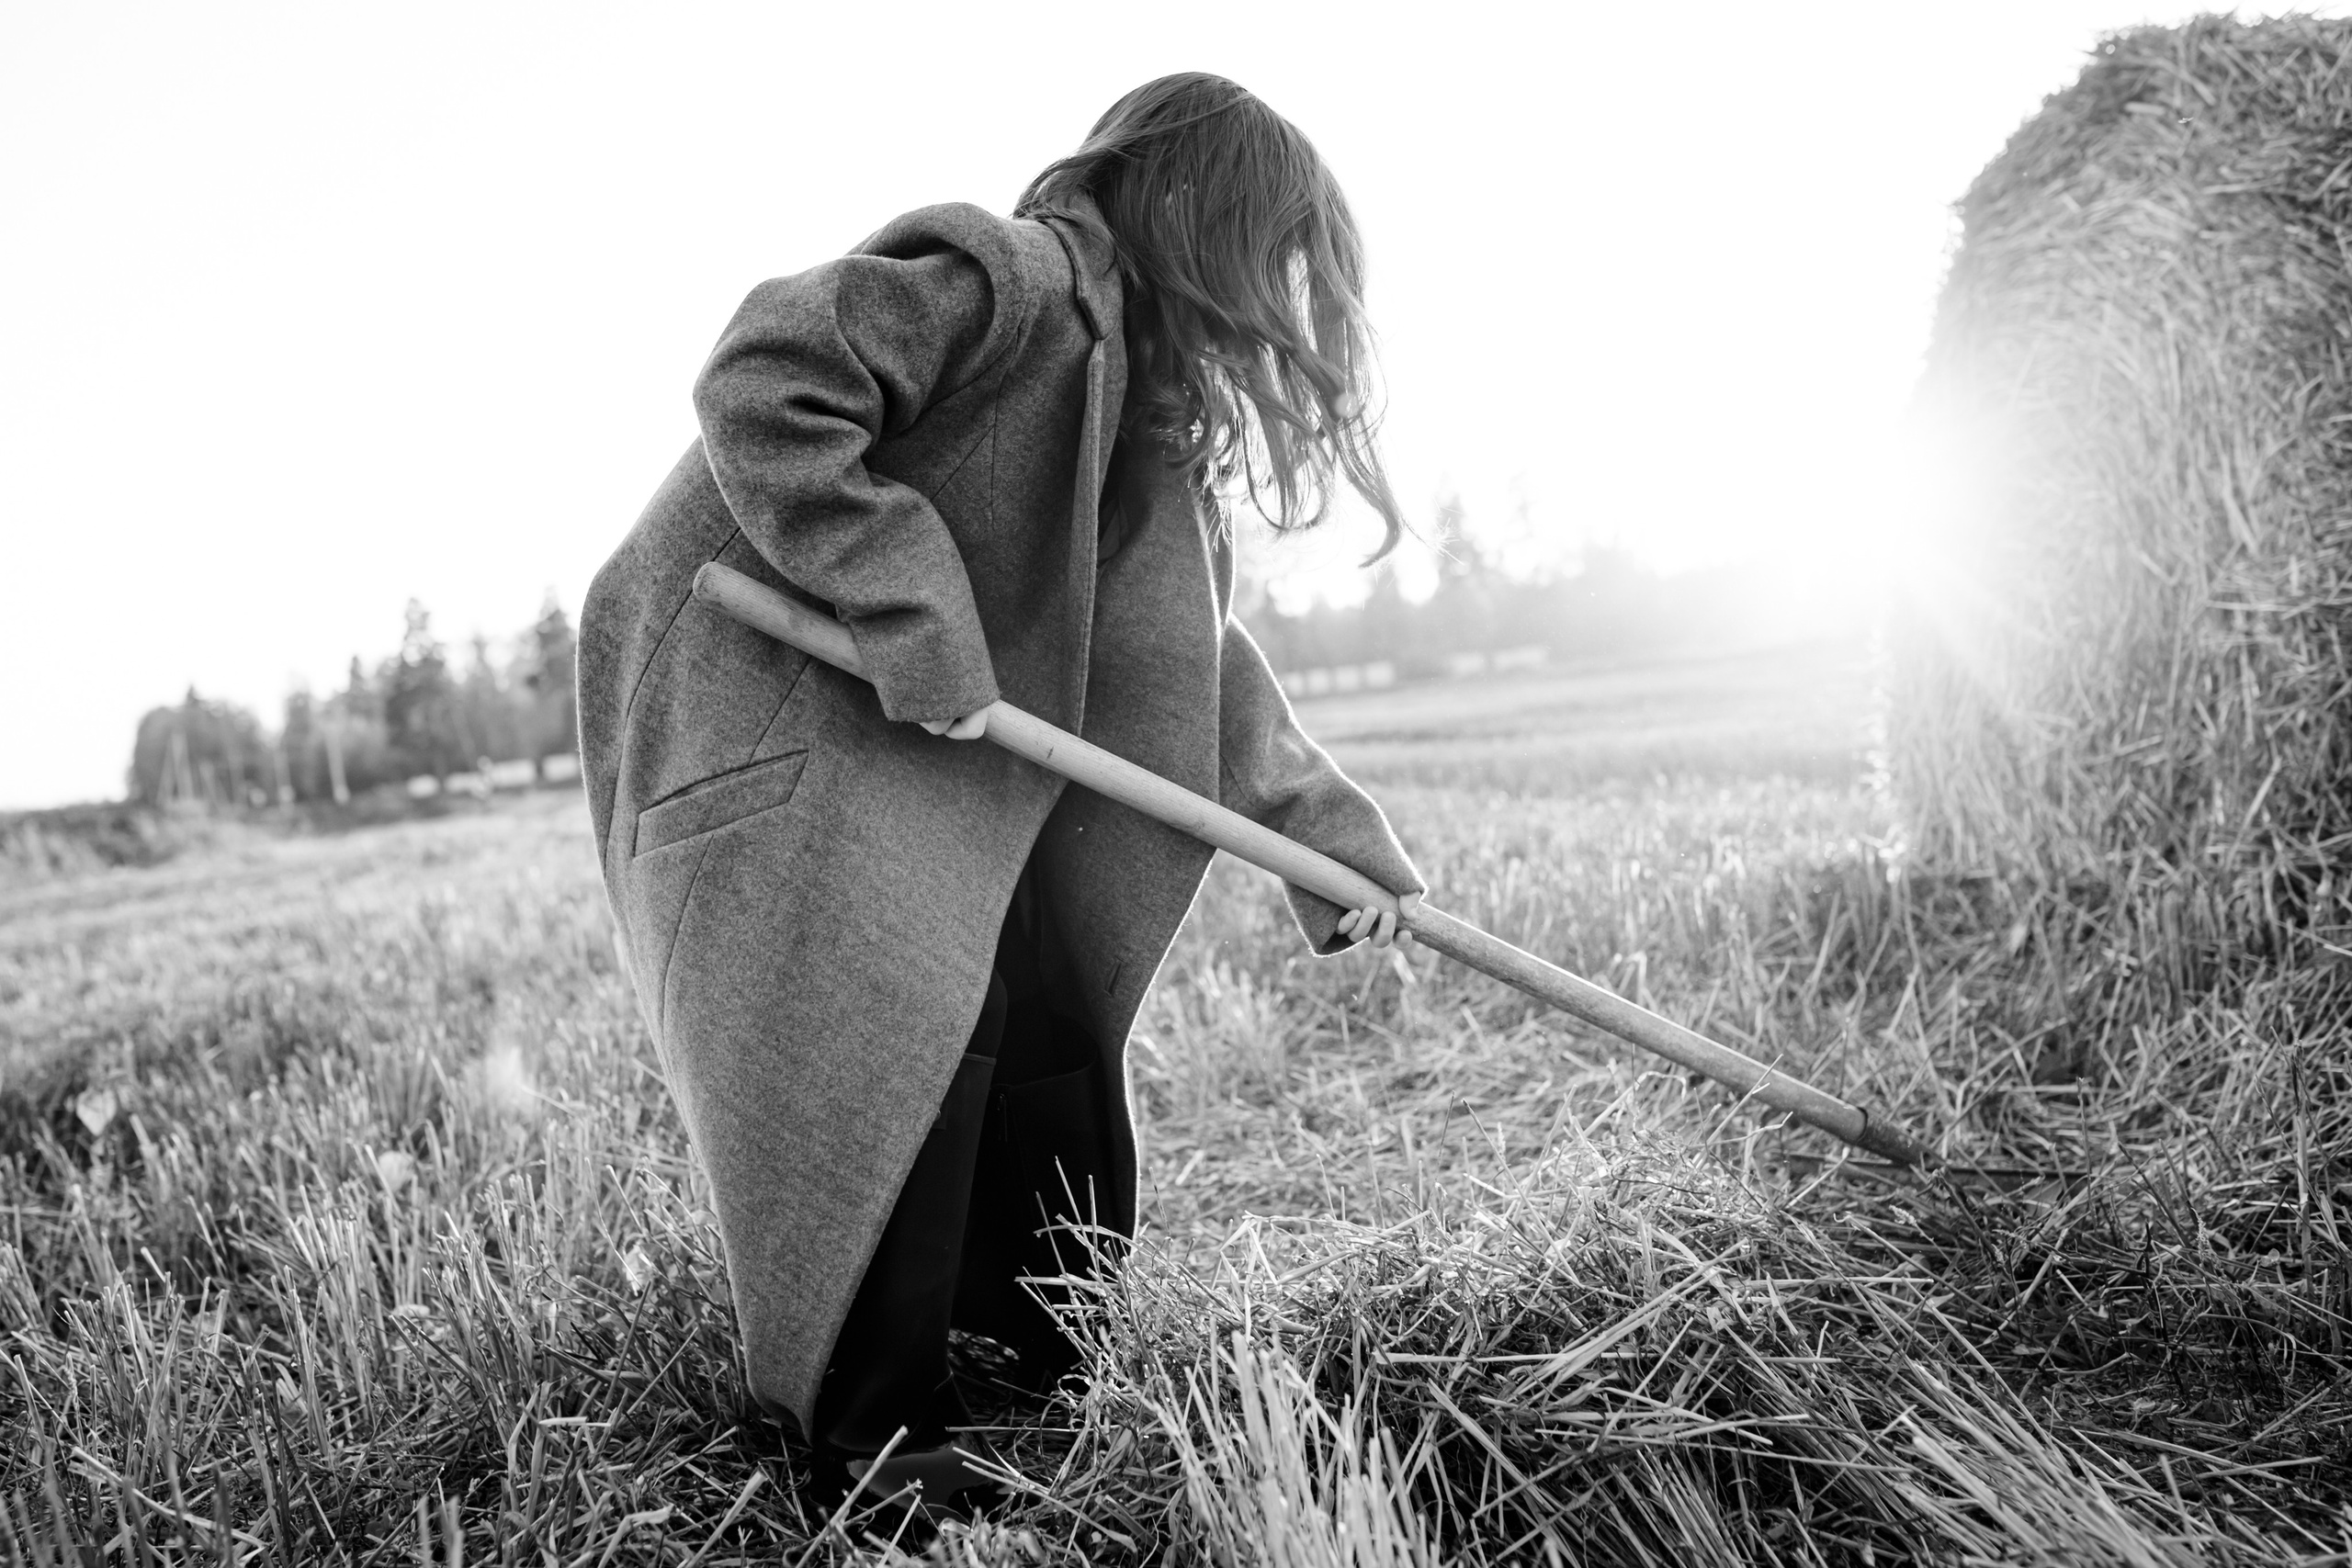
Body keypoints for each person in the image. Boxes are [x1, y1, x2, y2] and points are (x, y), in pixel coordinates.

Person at [577, 72, 1424, 1511]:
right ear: (1200, 220)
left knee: (1043, 995)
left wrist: (1332, 853)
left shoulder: (1146, 428)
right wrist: (919, 616)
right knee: (900, 1000)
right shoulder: (1009, 284)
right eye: (1274, 264)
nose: (1281, 315)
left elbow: (1196, 664)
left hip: (910, 720)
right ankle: (863, 1434)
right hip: (759, 689)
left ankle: (1028, 1352)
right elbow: (766, 381)